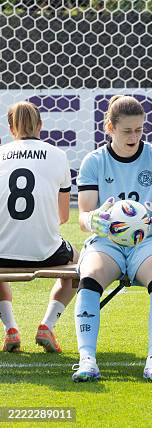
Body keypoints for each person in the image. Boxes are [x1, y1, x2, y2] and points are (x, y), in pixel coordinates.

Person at [73, 95, 152, 382]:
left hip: (149, 242)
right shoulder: (94, 161)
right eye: (127, 131)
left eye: (139, 130)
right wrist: (93, 219)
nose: (134, 136)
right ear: (110, 127)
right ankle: (87, 359)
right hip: (108, 242)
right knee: (90, 274)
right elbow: (83, 215)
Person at [0, 101, 78, 353]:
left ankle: (10, 329)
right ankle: (47, 324)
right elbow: (63, 216)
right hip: (47, 254)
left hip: (2, 254)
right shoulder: (58, 155)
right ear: (41, 126)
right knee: (82, 262)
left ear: (11, 128)